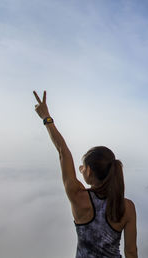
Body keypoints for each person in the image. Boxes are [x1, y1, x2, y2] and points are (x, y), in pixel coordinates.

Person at [33, 90, 138, 258]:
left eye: (82, 167)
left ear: (89, 171)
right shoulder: (127, 207)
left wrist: (47, 118)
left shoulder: (78, 197)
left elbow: (63, 152)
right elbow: (131, 252)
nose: (80, 169)